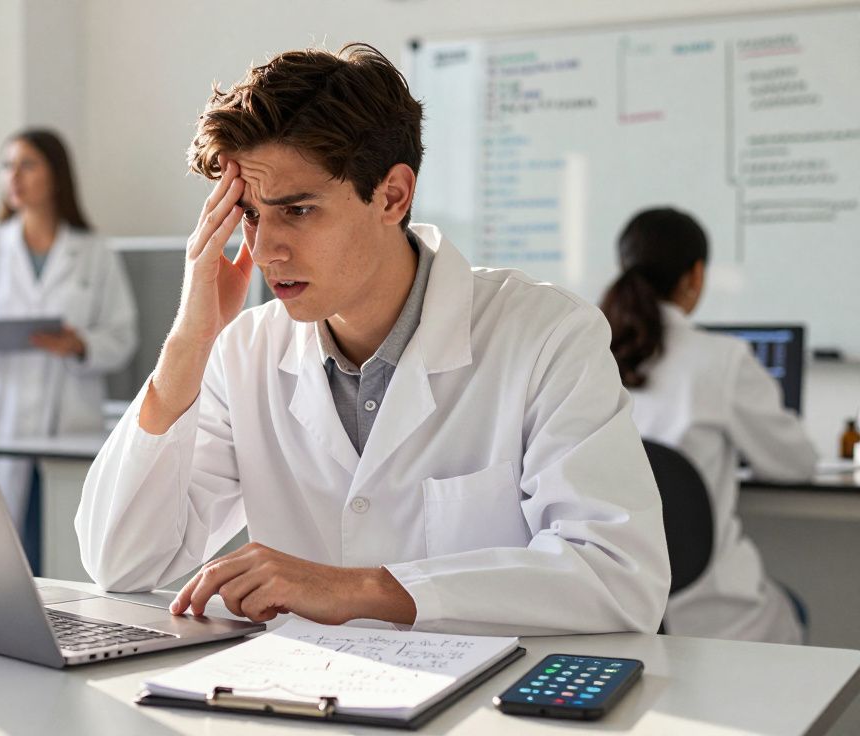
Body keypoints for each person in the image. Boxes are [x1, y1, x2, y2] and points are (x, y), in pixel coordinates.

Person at [76, 44, 669, 634]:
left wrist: (362, 588)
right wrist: (190, 340)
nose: (264, 250)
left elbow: (619, 577)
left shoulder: (546, 336)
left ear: (392, 196)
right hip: (300, 704)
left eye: (299, 210)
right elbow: (122, 563)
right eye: (251, 215)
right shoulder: (243, 352)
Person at [600, 207, 817, 644]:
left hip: (610, 605)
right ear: (695, 275)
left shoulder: (586, 349)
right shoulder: (723, 359)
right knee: (797, 607)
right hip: (709, 612)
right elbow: (794, 465)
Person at [0, 129, 138, 573]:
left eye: (27, 164)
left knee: (65, 555)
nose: (14, 177)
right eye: (7, 166)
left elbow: (122, 337)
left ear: (56, 175)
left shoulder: (94, 251)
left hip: (69, 424)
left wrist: (80, 345)